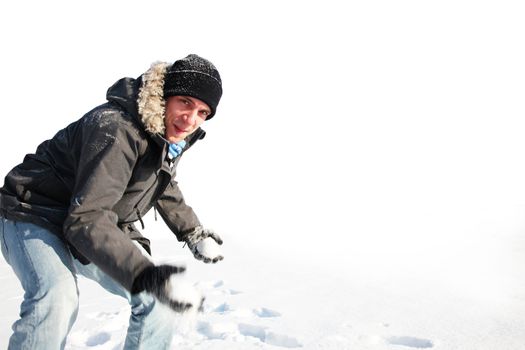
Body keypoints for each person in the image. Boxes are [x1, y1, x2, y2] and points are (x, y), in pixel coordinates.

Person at [0, 54, 225, 349]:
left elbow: (161, 181)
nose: (191, 119)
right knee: (57, 297)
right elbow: (86, 219)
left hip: (93, 218)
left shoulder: (165, 132)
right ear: (165, 96)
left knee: (159, 302)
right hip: (34, 212)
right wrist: (146, 274)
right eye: (185, 102)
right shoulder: (116, 129)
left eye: (202, 112)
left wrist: (192, 231)